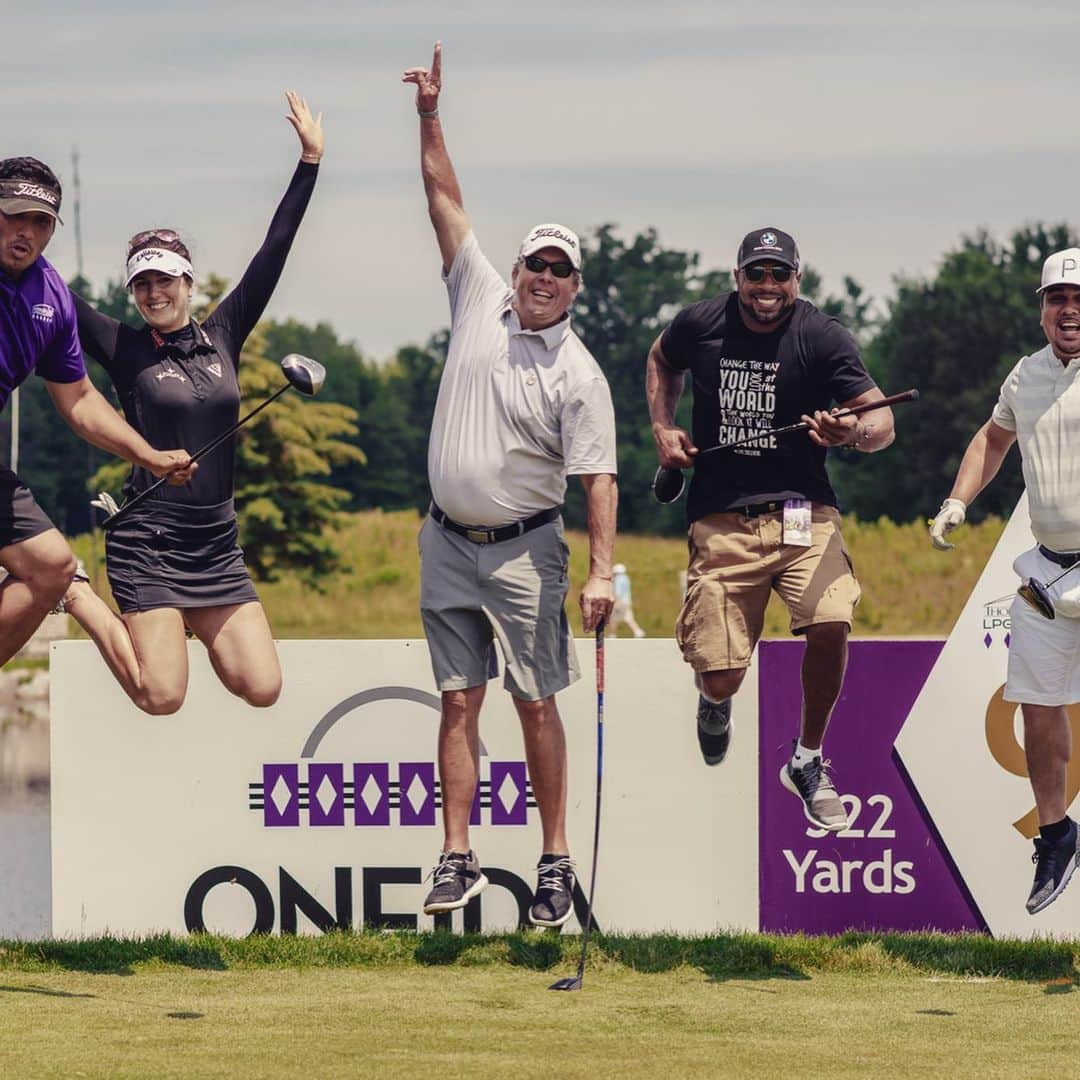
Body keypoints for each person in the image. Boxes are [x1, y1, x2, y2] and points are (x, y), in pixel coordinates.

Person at [402, 43, 617, 927]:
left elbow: (597, 477)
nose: (539, 278)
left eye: (557, 271)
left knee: (535, 703)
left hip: (528, 551)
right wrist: (429, 115)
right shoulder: (479, 294)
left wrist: (603, 571)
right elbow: (446, 198)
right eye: (534, 263)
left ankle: (555, 860)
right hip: (445, 540)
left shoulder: (580, 372)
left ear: (573, 288)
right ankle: (456, 855)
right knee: (458, 698)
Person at [57, 92, 323, 715]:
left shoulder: (224, 332)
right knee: (162, 695)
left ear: (187, 280)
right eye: (141, 282)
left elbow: (275, 249)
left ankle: (183, 621)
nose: (153, 292)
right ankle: (74, 592)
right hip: (150, 536)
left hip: (216, 543)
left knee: (262, 687)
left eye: (164, 279)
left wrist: (309, 161)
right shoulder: (123, 347)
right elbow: (49, 292)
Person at [646, 227, 895, 828]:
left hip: (803, 514)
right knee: (725, 676)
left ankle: (807, 761)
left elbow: (882, 418)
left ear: (796, 280)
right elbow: (661, 358)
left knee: (833, 617)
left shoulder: (822, 335)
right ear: (737, 277)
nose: (767, 286)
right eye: (756, 273)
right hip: (720, 519)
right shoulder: (700, 324)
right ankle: (713, 704)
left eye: (778, 274)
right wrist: (663, 426)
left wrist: (851, 434)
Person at [930, 247, 1080, 915]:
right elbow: (992, 441)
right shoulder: (1026, 376)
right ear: (1042, 309)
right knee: (1038, 707)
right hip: (1047, 569)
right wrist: (958, 501)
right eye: (1058, 300)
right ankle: (1056, 835)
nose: (1070, 310)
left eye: (1079, 300)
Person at [0, 157, 190, 666]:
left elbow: (79, 399)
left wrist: (147, 455)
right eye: (14, 215)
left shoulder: (50, 297)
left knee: (53, 567)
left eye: (40, 222)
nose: (26, 231)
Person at [609, 562, 646, 638]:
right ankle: (638, 631)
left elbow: (618, 592)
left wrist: (616, 602)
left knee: (612, 617)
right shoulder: (626, 578)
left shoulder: (618, 579)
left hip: (620, 602)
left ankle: (613, 634)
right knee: (628, 617)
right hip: (627, 601)